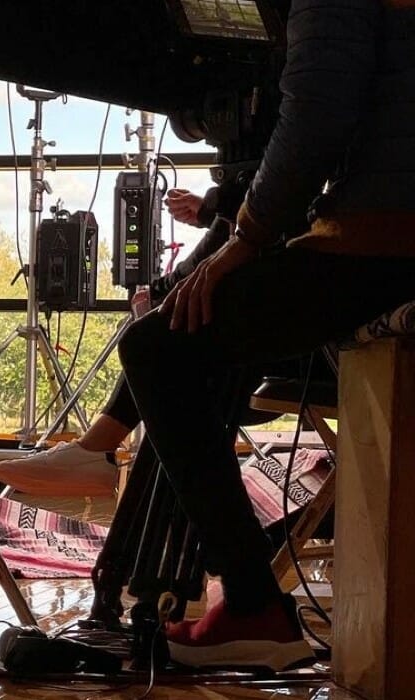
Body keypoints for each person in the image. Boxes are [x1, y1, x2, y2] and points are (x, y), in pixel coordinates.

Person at [118, 0, 415, 670]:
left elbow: (317, 114)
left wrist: (241, 242)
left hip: (383, 245)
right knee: (214, 328)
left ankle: (253, 606)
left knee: (158, 347)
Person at [0, 184, 251, 496]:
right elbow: (251, 216)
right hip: (275, 336)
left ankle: (95, 452)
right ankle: (95, 453)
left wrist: (163, 290)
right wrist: (213, 211)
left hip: (279, 356)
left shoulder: (281, 174)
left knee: (151, 344)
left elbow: (267, 212)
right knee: (157, 344)